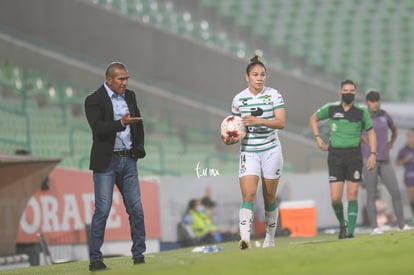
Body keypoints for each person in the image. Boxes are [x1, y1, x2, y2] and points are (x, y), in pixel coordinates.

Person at [84, 62, 146, 271]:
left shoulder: (131, 96)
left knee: (136, 209)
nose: (125, 83)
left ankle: (139, 255)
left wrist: (139, 148)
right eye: (121, 79)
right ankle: (95, 259)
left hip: (128, 160)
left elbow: (138, 122)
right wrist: (121, 123)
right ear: (109, 79)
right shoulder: (93, 100)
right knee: (102, 209)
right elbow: (98, 128)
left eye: (127, 78)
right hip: (106, 162)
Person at [222, 53, 285, 249]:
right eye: (255, 74)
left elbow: (281, 123)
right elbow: (236, 127)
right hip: (249, 151)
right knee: (248, 195)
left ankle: (270, 239)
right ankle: (245, 239)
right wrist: (229, 138)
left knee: (269, 198)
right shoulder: (239, 99)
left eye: (262, 74)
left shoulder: (274, 94)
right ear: (247, 77)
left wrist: (259, 120)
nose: (259, 78)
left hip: (271, 150)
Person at [309, 79, 377, 239]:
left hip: (354, 155)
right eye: (345, 90)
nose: (348, 93)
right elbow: (313, 118)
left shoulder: (361, 112)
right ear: (340, 92)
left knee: (352, 194)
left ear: (356, 93)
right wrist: (318, 137)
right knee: (335, 198)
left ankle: (350, 232)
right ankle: (342, 223)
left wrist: (373, 153)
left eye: (352, 91)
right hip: (335, 156)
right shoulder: (331, 108)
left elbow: (371, 132)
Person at [361, 90, 410, 234]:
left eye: (377, 100)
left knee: (395, 192)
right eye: (372, 101)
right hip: (369, 159)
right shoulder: (362, 117)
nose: (375, 103)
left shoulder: (384, 115)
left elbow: (394, 130)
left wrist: (391, 143)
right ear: (367, 103)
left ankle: (402, 225)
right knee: (371, 194)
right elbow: (356, 134)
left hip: (385, 159)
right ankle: (375, 227)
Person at [396, 128, 414, 220]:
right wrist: (404, 160)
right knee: (412, 197)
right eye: (409, 136)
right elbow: (397, 163)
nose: (410, 138)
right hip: (409, 176)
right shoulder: (403, 150)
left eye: (412, 136)